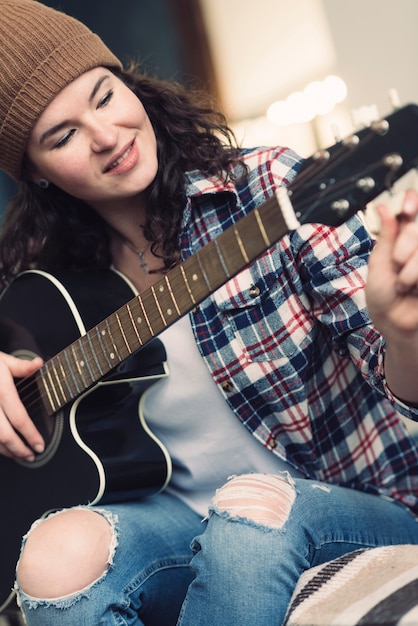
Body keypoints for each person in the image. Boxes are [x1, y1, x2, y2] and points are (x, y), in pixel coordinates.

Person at [1, 1, 418, 625]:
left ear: (130, 84)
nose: (107, 136)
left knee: (246, 512)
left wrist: (402, 331)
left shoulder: (266, 191)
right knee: (50, 558)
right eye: (62, 136)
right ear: (34, 173)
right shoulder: (43, 281)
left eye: (105, 96)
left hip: (342, 508)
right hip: (174, 530)